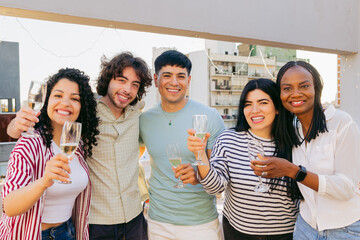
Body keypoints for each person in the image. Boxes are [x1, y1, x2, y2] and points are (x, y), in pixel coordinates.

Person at [6, 52, 153, 239]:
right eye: (121, 80)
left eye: (135, 85)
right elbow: (8, 205)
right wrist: (13, 127)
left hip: (129, 219)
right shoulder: (80, 115)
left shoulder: (133, 115)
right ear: (108, 80)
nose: (127, 89)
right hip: (92, 223)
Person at [251, 61, 360, 239]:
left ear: (317, 88)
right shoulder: (291, 128)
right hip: (305, 226)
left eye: (304, 86)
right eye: (287, 88)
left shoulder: (341, 123)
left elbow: (346, 188)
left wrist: (294, 172)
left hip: (345, 229)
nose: (295, 94)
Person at [187, 78, 300, 240]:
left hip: (285, 234)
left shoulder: (295, 142)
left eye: (263, 103)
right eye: (248, 104)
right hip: (238, 233)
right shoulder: (228, 139)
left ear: (277, 108)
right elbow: (214, 188)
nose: (254, 110)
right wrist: (200, 153)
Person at [0, 68, 99, 240]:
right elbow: (9, 206)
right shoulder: (29, 143)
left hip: (68, 231)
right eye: (58, 96)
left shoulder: (79, 145)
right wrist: (45, 181)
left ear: (82, 106)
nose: (66, 103)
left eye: (75, 98)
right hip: (33, 234)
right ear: (46, 101)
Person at [139, 50, 225, 240]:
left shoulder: (210, 117)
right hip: (157, 223)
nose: (174, 82)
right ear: (155, 79)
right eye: (167, 75)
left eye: (181, 76)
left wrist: (198, 175)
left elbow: (220, 178)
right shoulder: (144, 119)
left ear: (189, 80)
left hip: (201, 224)